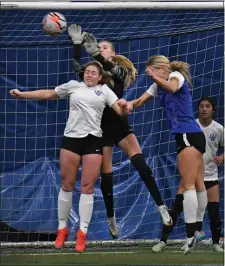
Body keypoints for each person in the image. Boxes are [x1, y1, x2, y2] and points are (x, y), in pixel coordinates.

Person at [9, 62, 129, 253]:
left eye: (94, 73)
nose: (89, 75)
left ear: (100, 77)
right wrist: (23, 94)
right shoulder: (73, 86)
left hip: (93, 142)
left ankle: (82, 233)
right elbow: (48, 94)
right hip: (71, 141)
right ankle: (62, 229)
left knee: (87, 187)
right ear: (84, 74)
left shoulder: (105, 90)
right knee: (67, 185)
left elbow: (120, 110)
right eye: (87, 72)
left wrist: (124, 106)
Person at [68, 25, 172, 239]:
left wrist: (95, 53)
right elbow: (78, 65)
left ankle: (161, 207)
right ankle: (111, 219)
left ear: (113, 53)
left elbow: (114, 70)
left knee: (140, 163)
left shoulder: (118, 71)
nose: (100, 49)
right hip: (101, 128)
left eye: (104, 47)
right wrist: (77, 46)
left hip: (119, 125)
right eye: (99, 47)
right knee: (106, 176)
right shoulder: (94, 74)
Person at [122, 55, 208, 255]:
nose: (149, 75)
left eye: (151, 71)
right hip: (191, 135)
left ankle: (191, 235)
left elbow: (172, 88)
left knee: (187, 186)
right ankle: (198, 231)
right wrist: (128, 105)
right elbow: (141, 100)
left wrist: (154, 77)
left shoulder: (175, 76)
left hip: (187, 135)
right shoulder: (158, 84)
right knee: (198, 183)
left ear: (161, 68)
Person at [151, 97, 224, 253]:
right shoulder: (191, 126)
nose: (204, 109)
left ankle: (216, 243)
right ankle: (163, 241)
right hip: (190, 176)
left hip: (210, 175)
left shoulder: (218, 129)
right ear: (197, 109)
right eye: (201, 106)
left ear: (213, 110)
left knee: (214, 214)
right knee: (176, 208)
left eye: (207, 106)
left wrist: (222, 156)